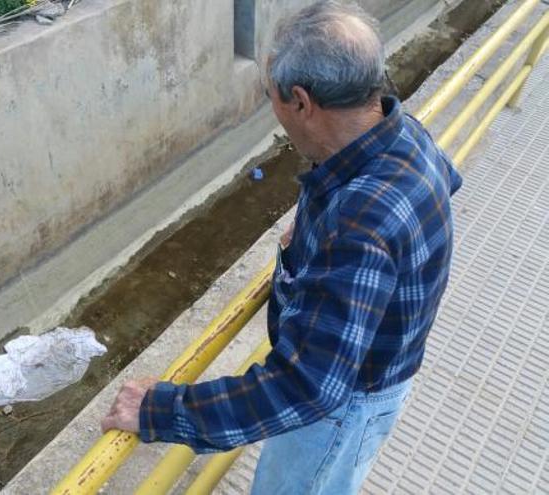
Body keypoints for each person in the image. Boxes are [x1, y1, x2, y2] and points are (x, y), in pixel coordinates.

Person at [100, 1, 463, 493]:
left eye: (270, 96)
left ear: (301, 101)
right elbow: (446, 180)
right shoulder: (403, 133)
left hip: (340, 412)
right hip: (381, 373)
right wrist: (317, 230)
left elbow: (306, 386)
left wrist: (160, 411)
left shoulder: (362, 222)